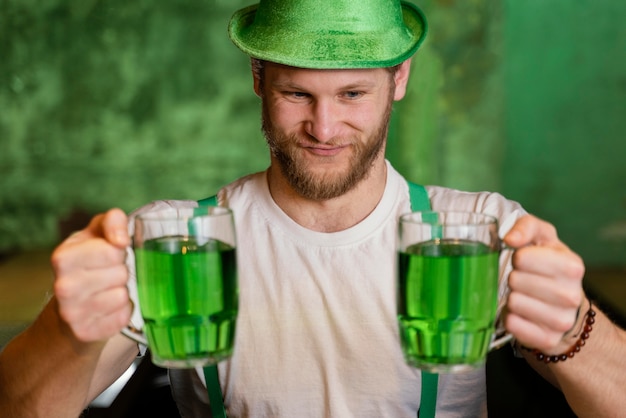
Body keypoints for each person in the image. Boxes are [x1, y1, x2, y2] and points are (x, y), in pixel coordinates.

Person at [1, 0, 624, 416]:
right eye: (296, 92)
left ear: (399, 80)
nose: (324, 127)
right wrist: (66, 330)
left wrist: (574, 331)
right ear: (257, 79)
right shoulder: (178, 241)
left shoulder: (479, 233)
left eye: (353, 92)